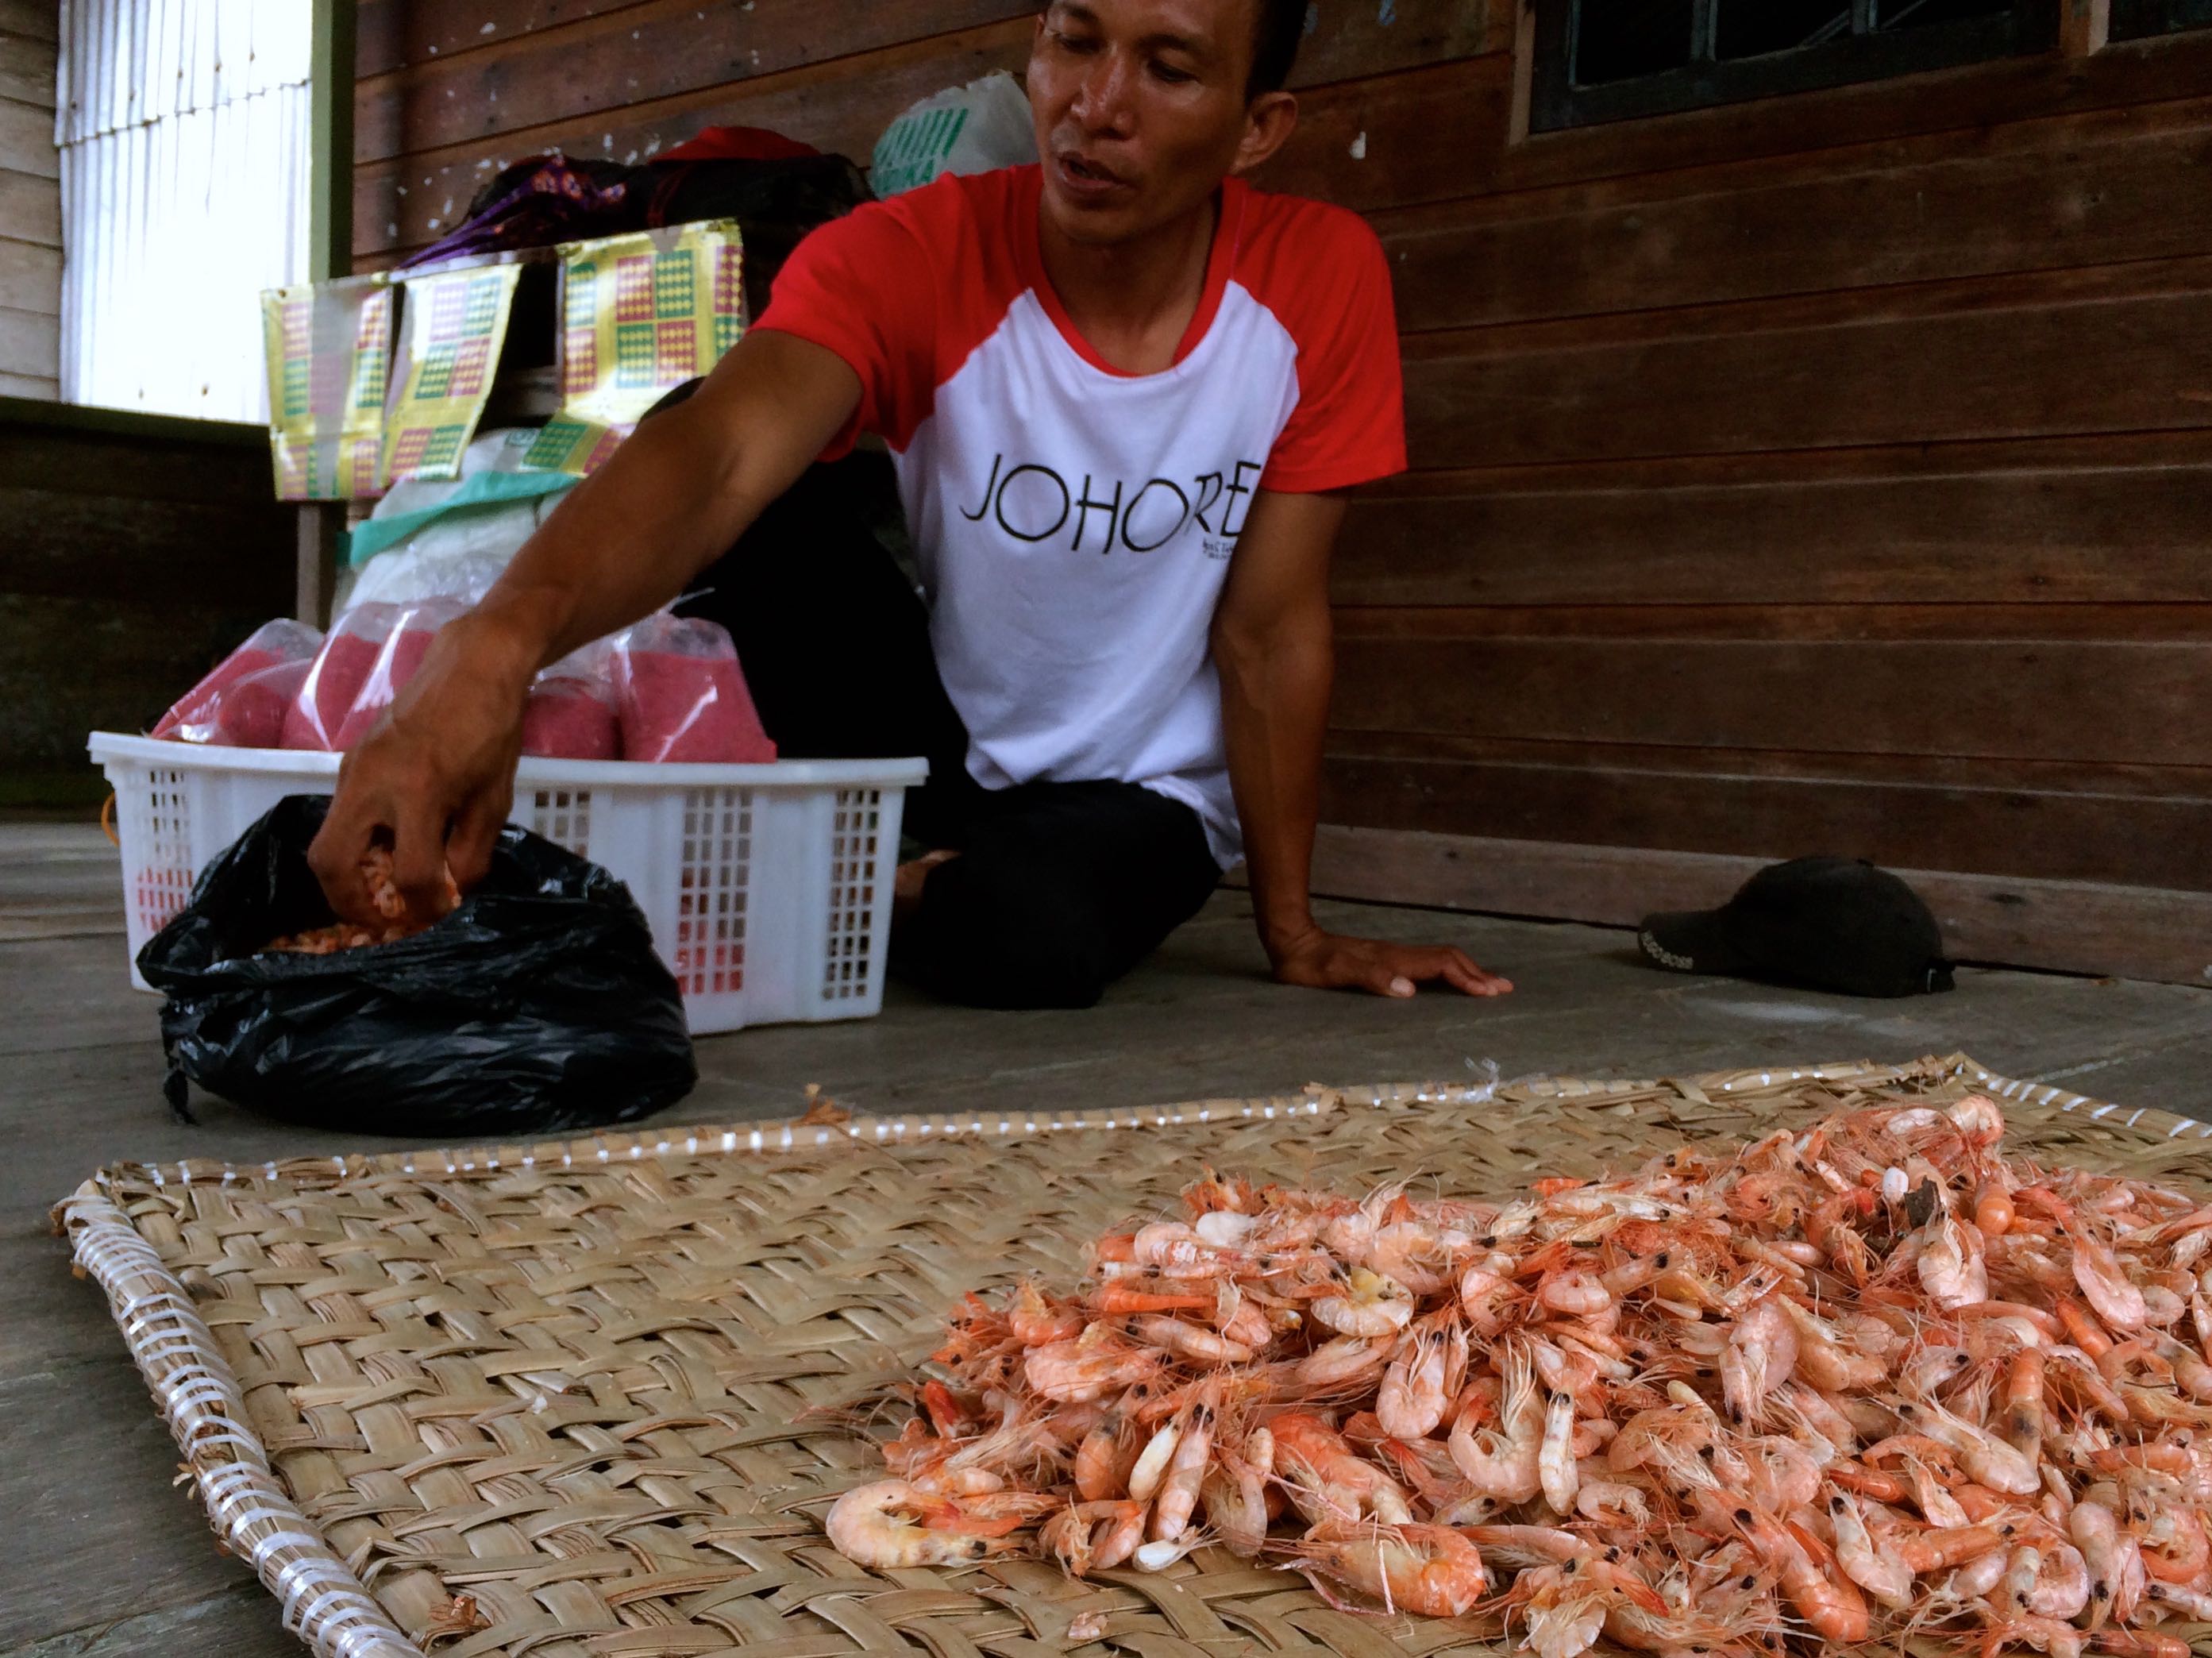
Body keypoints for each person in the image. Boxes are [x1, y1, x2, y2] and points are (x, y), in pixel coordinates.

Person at [310, 0, 1516, 1011]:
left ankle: (854, 877)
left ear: (1257, 128)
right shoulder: (909, 250)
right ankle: (870, 863)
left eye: (1168, 68)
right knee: (746, 488)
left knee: (1033, 940)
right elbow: (725, 449)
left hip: (1137, 788)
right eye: (1074, 41)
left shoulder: (1316, 277)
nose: (1096, 105)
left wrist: (1295, 934)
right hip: (936, 732)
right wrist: (487, 648)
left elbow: (1268, 630)